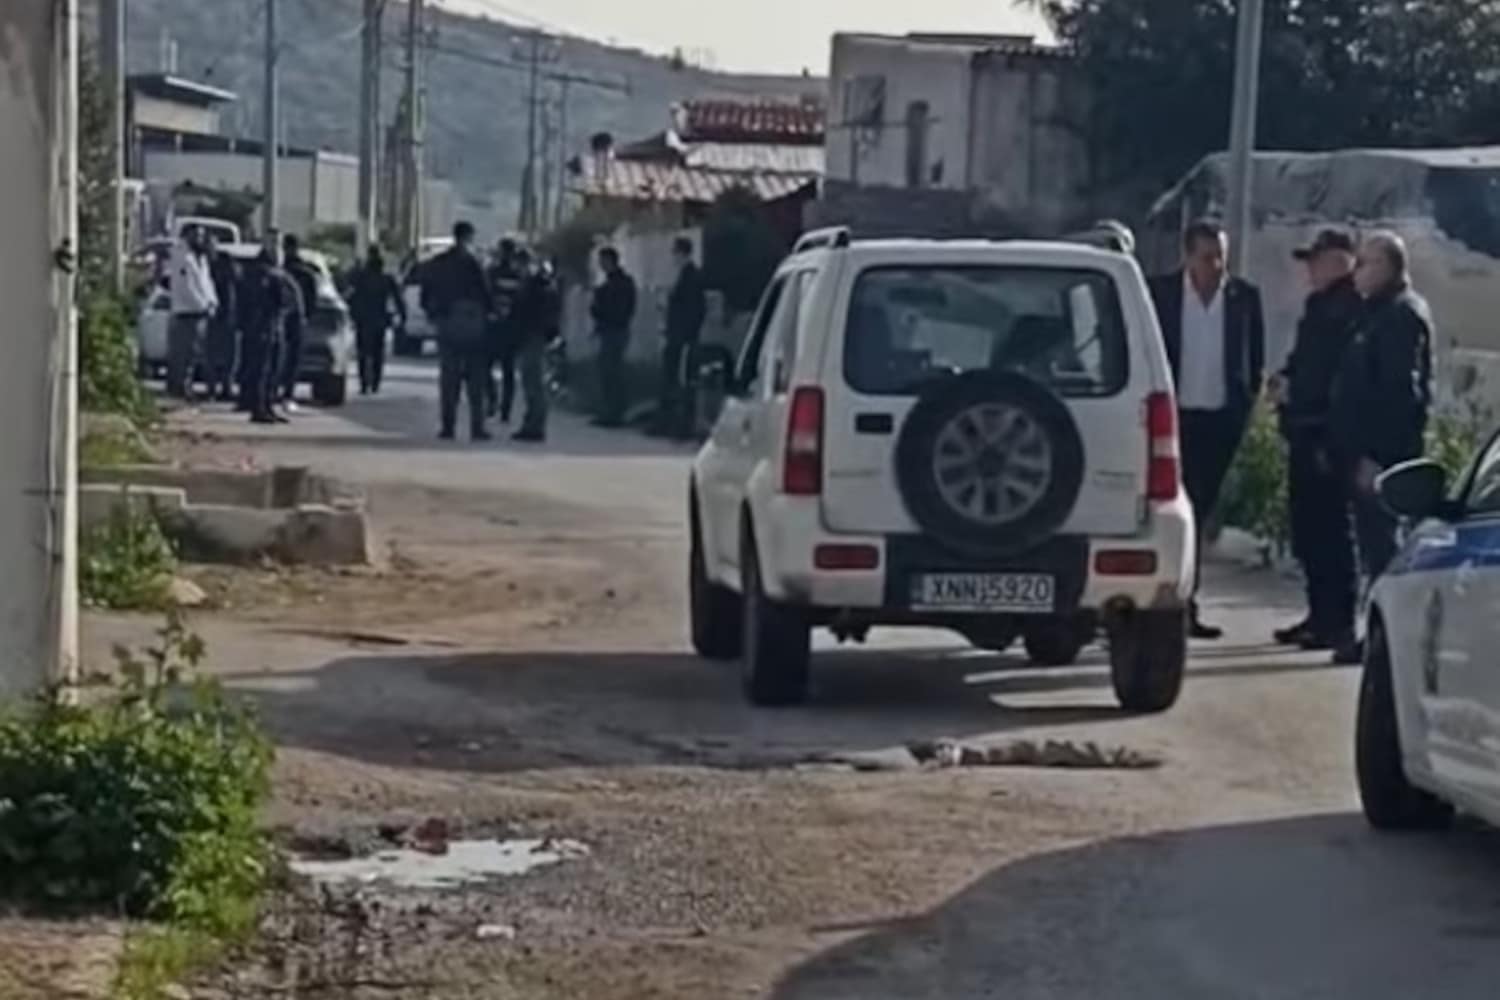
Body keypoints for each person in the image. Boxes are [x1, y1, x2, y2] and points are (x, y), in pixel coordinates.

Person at [1148, 219, 1267, 640]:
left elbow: (1254, 361)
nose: (1215, 266)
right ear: (1187, 257)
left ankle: (1187, 602)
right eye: (1206, 257)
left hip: (1219, 421)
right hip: (1171, 420)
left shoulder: (1243, 298)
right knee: (1167, 510)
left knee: (1199, 511)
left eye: (1221, 257)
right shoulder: (1160, 294)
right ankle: (1157, 602)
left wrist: (1244, 406)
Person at [1328, 230, 1434, 664]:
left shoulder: (1400, 316)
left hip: (1383, 459)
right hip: (1364, 452)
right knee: (1373, 550)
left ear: (1389, 267)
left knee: (1385, 551)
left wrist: (1378, 457)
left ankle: (1389, 643)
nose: (1356, 272)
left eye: (1365, 263)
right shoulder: (1375, 312)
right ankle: (1378, 638)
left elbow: (1399, 395)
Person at [1269, 229, 1363, 652]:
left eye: (1316, 260)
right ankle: (1318, 614)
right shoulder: (1318, 306)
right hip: (1304, 430)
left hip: (1328, 434)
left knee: (1332, 534)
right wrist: (1284, 380)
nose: (1309, 269)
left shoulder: (1351, 309)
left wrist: (1302, 394)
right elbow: (1303, 362)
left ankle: (1337, 621)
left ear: (1339, 260)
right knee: (1308, 531)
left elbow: (1338, 377)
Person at [421, 221, 494, 441]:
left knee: (449, 378)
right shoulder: (474, 263)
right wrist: (489, 316)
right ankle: (477, 427)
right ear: (469, 237)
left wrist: (433, 313)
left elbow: (426, 291)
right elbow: (486, 293)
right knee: (475, 380)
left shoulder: (439, 263)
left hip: (447, 324)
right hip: (472, 325)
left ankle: (448, 426)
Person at [237, 243, 300, 425]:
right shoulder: (266, 276)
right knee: (264, 370)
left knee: (270, 369)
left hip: (269, 327)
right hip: (265, 328)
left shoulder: (261, 275)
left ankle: (266, 406)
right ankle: (260, 408)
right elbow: (281, 300)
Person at [655, 236, 707, 439]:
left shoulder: (691, 276)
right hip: (677, 336)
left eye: (675, 252)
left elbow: (695, 309)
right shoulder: (684, 275)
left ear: (682, 253)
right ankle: (669, 423)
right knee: (672, 380)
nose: (673, 257)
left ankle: (681, 425)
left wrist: (685, 334)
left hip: (683, 338)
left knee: (682, 381)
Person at [508, 247, 560, 443]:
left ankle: (535, 425)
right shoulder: (536, 283)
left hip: (533, 335)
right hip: (531, 336)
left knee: (533, 382)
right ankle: (532, 423)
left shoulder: (536, 284)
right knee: (531, 381)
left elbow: (530, 312)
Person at [165, 225, 218, 400]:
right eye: (197, 235)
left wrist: (212, 301)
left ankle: (185, 386)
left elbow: (206, 283)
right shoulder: (182, 257)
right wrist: (203, 304)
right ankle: (179, 387)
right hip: (186, 311)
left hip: (200, 312)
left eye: (202, 236)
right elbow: (187, 287)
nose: (200, 239)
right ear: (188, 236)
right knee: (183, 353)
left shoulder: (200, 258)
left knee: (193, 354)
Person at [347, 245, 407, 395]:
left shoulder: (360, 277)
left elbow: (349, 294)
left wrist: (352, 313)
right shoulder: (386, 279)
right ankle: (375, 382)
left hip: (363, 319)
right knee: (377, 352)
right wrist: (402, 315)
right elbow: (398, 299)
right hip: (379, 319)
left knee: (363, 352)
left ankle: (364, 383)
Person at [590, 246, 638, 428]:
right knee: (609, 372)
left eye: (603, 261)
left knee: (611, 372)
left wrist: (600, 309)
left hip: (614, 330)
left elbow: (617, 309)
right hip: (612, 330)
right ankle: (610, 411)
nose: (601, 265)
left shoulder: (619, 284)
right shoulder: (615, 283)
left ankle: (614, 413)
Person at [485, 237, 526, 422]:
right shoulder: (494, 273)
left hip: (504, 327)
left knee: (502, 370)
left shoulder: (512, 274)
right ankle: (498, 404)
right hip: (501, 327)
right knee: (496, 369)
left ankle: (501, 406)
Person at [281, 234, 320, 409]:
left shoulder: (283, 270)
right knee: (292, 358)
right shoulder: (306, 272)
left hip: (284, 319)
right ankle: (287, 392)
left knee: (282, 358)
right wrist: (307, 317)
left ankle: (279, 391)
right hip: (297, 320)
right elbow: (313, 301)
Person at [205, 237, 240, 402]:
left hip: (230, 315)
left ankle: (227, 386)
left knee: (230, 355)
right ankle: (211, 387)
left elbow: (237, 282)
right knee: (211, 354)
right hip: (212, 314)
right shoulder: (203, 265)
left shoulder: (225, 262)